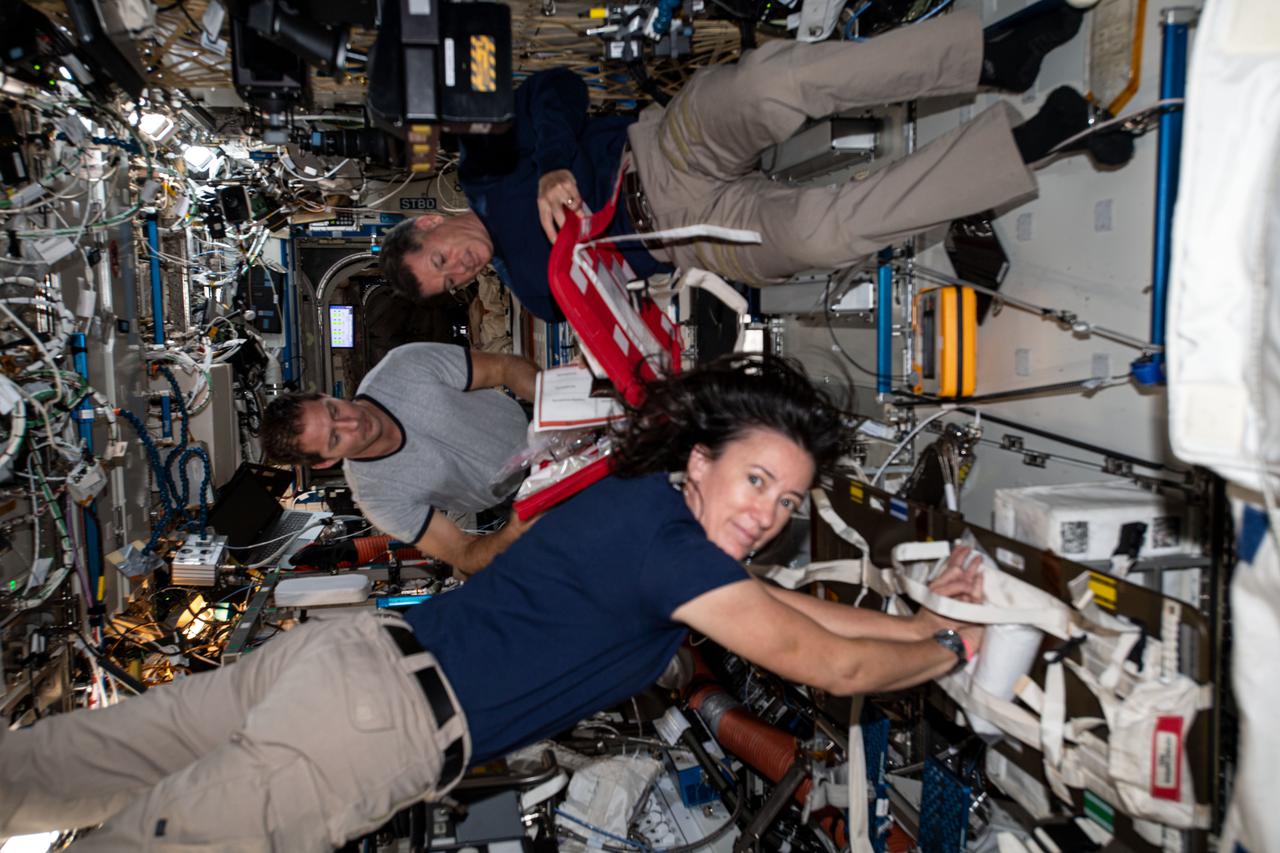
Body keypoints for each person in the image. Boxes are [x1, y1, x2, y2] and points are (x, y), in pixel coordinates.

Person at [0, 355, 984, 850]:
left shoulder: (650, 515)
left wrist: (917, 614)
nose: (766, 512)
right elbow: (828, 663)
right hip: (365, 724)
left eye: (785, 499)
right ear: (701, 460)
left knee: (94, 753)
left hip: (342, 665)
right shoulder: (660, 545)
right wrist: (951, 644)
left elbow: (794, 615)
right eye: (755, 480)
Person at [378, 4, 1130, 321]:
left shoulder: (482, 166)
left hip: (663, 151)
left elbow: (558, 88)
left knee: (778, 83)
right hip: (690, 237)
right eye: (449, 281)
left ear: (435, 222)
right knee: (821, 240)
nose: (461, 270)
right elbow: (623, 309)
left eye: (443, 258)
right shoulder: (538, 299)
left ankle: (991, 55)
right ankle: (1031, 142)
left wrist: (548, 166)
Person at [260, 342, 537, 574]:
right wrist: (517, 529)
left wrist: (556, 400)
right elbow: (463, 553)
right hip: (524, 498)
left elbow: (504, 367)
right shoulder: (378, 498)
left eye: (334, 411)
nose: (352, 424)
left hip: (542, 424)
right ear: (325, 463)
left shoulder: (403, 367)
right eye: (335, 438)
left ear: (324, 396)